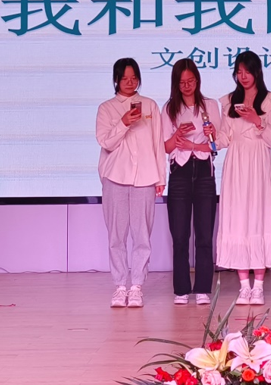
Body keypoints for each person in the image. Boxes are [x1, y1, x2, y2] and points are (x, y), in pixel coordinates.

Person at [214, 51, 271, 306]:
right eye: (239, 72)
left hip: (259, 163)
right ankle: (244, 286)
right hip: (236, 165)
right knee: (238, 219)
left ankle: (259, 286)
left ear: (257, 72)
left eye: (247, 71)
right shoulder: (229, 101)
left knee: (259, 217)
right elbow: (224, 138)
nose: (243, 76)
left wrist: (257, 121)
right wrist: (211, 135)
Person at [95, 58, 165, 308]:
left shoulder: (150, 105)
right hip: (115, 178)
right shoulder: (107, 108)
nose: (130, 82)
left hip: (145, 178)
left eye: (134, 78)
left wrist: (160, 178)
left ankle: (136, 286)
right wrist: (124, 122)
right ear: (116, 80)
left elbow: (158, 144)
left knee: (142, 235)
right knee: (116, 235)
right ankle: (119, 286)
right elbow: (106, 142)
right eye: (124, 78)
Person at [161, 59, 222, 307]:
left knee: (204, 234)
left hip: (205, 172)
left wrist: (206, 137)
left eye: (191, 81)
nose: (187, 86)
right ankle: (181, 289)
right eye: (182, 82)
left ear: (197, 80)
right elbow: (166, 147)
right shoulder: (169, 109)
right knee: (180, 235)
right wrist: (178, 135)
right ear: (176, 84)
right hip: (180, 173)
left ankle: (203, 288)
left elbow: (216, 144)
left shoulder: (210, 105)